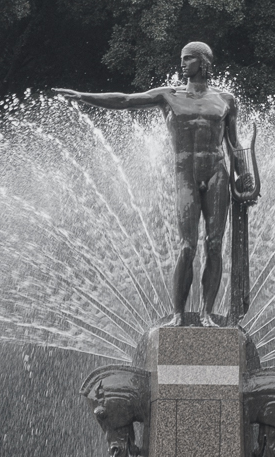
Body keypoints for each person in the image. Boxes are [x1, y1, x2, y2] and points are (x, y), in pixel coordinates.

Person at [53, 42, 245, 327]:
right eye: (182, 59)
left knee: (214, 244)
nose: (182, 64)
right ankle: (178, 314)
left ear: (203, 62)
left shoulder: (226, 99)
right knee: (188, 246)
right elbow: (125, 100)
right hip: (186, 176)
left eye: (188, 59)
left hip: (218, 174)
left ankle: (207, 313)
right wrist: (83, 96)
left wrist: (245, 175)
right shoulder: (168, 95)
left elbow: (234, 144)